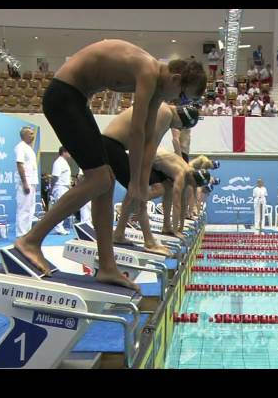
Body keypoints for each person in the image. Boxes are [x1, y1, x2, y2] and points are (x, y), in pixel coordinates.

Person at [14, 40, 206, 290]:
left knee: (104, 181)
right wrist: (136, 183)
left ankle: (107, 266)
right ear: (176, 78)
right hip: (63, 95)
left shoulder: (159, 91)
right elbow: (136, 133)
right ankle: (31, 240)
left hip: (78, 99)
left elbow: (148, 143)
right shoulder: (149, 69)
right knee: (100, 179)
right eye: (181, 96)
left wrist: (139, 184)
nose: (178, 102)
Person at [103, 101, 200, 253]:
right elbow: (149, 148)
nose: (179, 129)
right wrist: (141, 180)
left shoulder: (163, 110)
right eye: (181, 127)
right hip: (113, 146)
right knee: (140, 194)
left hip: (115, 145)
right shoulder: (166, 113)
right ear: (181, 120)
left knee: (153, 190)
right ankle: (148, 241)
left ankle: (120, 233)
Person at [14, 126, 38, 238]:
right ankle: (21, 233)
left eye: (33, 134)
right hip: (25, 182)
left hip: (32, 182)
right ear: (24, 135)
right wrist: (25, 183)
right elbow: (20, 164)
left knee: (30, 209)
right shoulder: (20, 147)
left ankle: (27, 232)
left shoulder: (29, 148)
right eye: (30, 134)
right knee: (23, 208)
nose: (33, 136)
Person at [49, 147, 72, 235]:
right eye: (68, 152)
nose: (70, 153)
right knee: (60, 208)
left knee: (63, 208)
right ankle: (58, 228)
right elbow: (55, 177)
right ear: (63, 152)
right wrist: (51, 188)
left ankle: (59, 227)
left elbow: (65, 178)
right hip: (59, 187)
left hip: (64, 187)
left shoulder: (64, 162)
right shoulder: (58, 162)